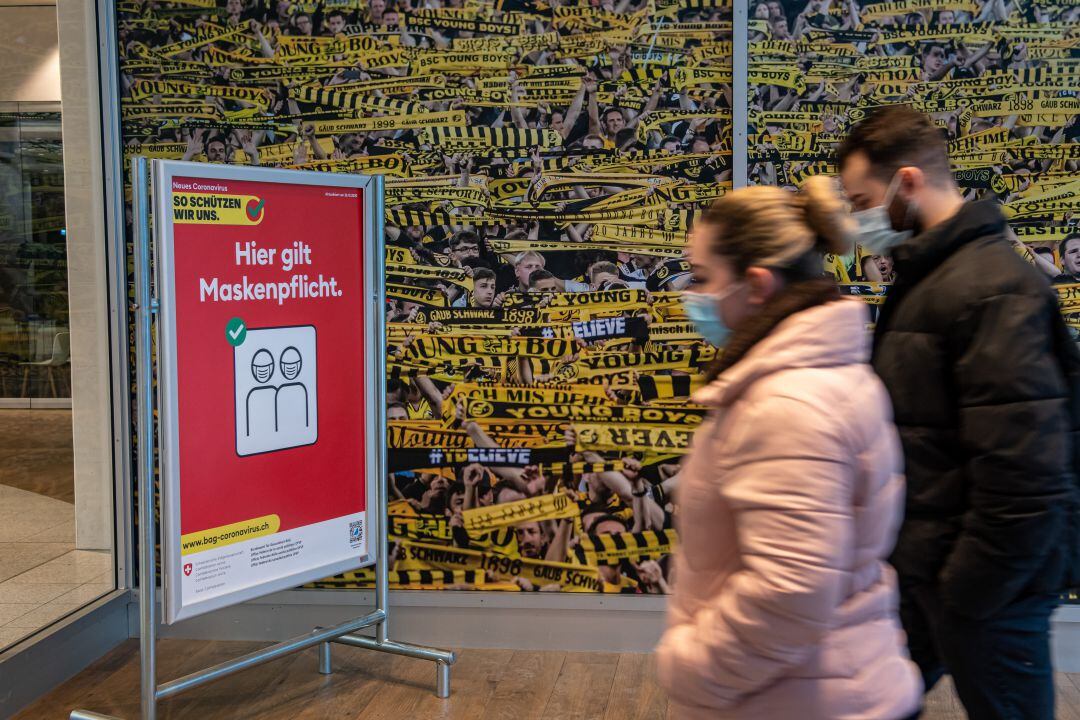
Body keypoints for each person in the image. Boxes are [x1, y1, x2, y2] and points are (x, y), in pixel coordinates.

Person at [838, 104, 1080, 720]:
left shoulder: (993, 288)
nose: (858, 218)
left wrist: (964, 593)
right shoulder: (931, 277)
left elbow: (1025, 474)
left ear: (909, 182)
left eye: (863, 199)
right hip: (929, 571)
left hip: (985, 588)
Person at [656, 178, 921, 720]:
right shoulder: (819, 375)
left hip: (797, 697)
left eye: (703, 278)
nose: (692, 294)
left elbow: (791, 590)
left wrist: (693, 668)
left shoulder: (786, 403)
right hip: (824, 682)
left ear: (756, 285)